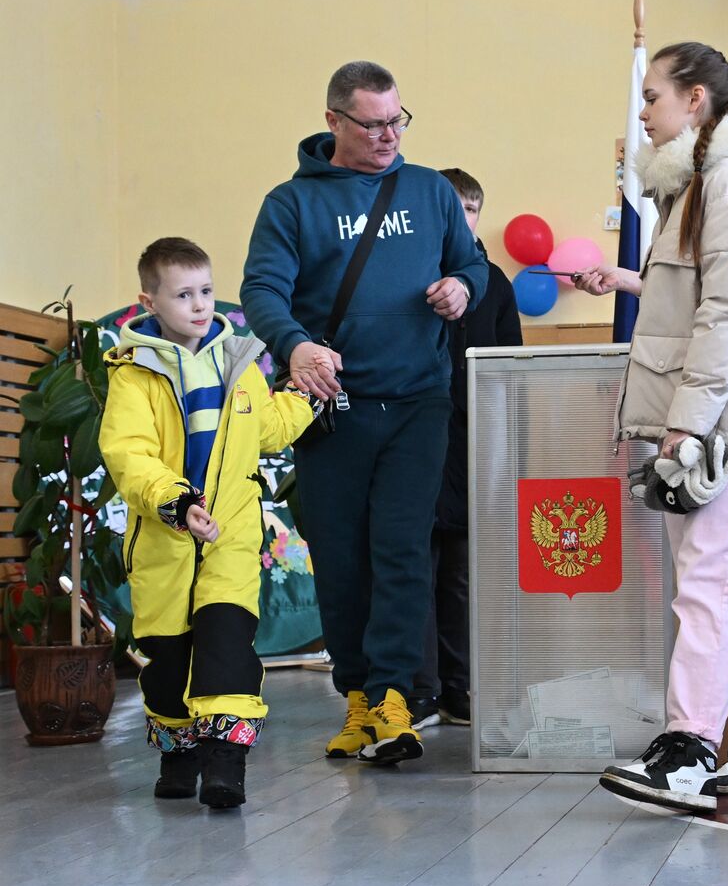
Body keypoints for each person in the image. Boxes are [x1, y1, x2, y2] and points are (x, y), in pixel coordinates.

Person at [572, 41, 728, 813]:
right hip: (713, 419)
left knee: (711, 587)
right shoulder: (699, 188)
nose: (642, 113)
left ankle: (689, 750)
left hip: (725, 423)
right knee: (724, 584)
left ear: (696, 100)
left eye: (652, 96)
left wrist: (686, 427)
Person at [241, 60, 489, 766]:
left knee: (403, 549)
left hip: (418, 401)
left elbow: (470, 264)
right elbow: (262, 290)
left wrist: (461, 288)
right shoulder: (291, 205)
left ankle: (393, 697)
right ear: (334, 123)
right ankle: (354, 697)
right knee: (341, 557)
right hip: (333, 407)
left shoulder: (430, 189)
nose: (388, 136)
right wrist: (295, 347)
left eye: (397, 120)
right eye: (373, 124)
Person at [100, 238, 317, 808]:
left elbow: (265, 428)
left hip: (231, 534)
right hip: (166, 537)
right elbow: (130, 454)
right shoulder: (132, 375)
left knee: (226, 645)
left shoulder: (240, 361)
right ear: (148, 301)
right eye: (182, 295)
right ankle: (179, 752)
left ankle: (226, 763)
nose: (199, 306)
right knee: (168, 659)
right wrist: (174, 501)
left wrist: (305, 401)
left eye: (206, 291)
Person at [407, 168, 523, 730]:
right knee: (417, 567)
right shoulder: (411, 274)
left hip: (476, 441)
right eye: (455, 209)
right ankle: (419, 690)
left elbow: (512, 366)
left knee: (460, 571)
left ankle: (461, 686)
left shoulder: (493, 282)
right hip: (418, 436)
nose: (465, 219)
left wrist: (505, 440)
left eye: (473, 210)